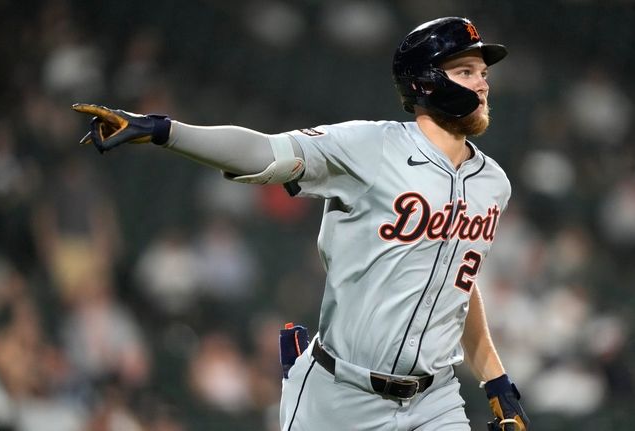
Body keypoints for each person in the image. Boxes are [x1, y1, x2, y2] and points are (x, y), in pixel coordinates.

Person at [73, 16, 530, 431]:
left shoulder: (493, 183)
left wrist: (495, 377)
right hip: (339, 396)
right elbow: (264, 152)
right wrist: (165, 131)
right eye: (466, 71)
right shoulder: (369, 146)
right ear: (427, 82)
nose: (483, 84)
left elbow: (458, 283)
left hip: (435, 400)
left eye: (484, 73)